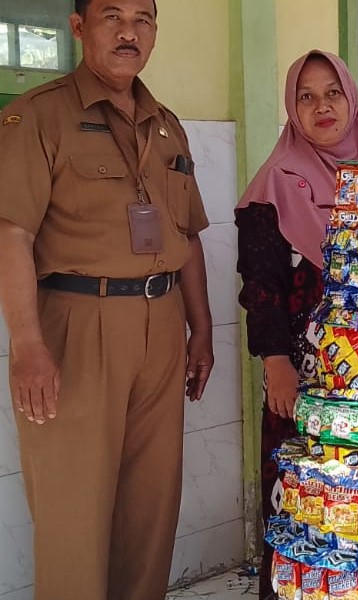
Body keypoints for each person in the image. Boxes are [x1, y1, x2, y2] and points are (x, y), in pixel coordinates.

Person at [0, 1, 214, 599]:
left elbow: (189, 236)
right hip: (76, 325)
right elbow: (11, 233)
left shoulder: (167, 125)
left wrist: (201, 328)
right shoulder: (38, 116)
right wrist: (28, 345)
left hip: (163, 323)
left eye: (143, 19)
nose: (129, 32)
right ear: (78, 27)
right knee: (74, 508)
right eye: (111, 16)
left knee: (151, 505)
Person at [235, 49, 358, 600]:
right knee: (302, 506)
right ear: (292, 108)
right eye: (306, 96)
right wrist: (276, 364)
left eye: (333, 93)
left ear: (351, 100)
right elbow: (261, 287)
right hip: (305, 382)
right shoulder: (274, 184)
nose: (322, 106)